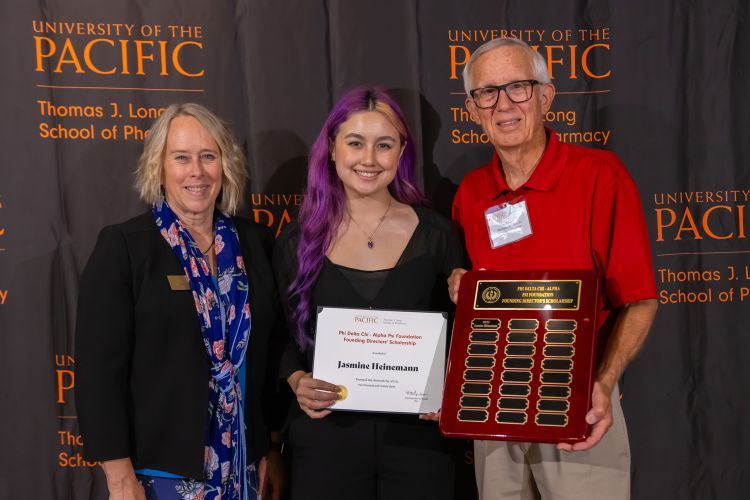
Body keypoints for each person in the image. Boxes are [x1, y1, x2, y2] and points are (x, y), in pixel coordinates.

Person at [449, 37, 658, 500]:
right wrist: (461, 287)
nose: (503, 104)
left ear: (546, 95)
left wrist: (603, 384)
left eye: (518, 87)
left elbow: (640, 300)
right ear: (471, 108)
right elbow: (477, 291)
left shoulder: (601, 175)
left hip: (578, 406)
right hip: (494, 405)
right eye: (487, 92)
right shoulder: (470, 192)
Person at [75, 103, 283, 500]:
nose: (197, 171)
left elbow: (270, 352)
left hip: (243, 464)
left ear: (226, 165)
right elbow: (99, 372)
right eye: (181, 157)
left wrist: (269, 445)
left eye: (209, 156)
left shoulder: (255, 243)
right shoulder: (125, 247)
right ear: (159, 167)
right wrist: (118, 475)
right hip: (160, 470)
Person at [273, 87, 463, 500]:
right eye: (355, 143)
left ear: (402, 152)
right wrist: (296, 378)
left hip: (421, 441)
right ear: (332, 148)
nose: (369, 160)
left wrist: (452, 386)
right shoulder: (296, 241)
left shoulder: (439, 235)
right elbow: (279, 333)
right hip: (326, 437)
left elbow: (467, 337)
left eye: (384, 145)